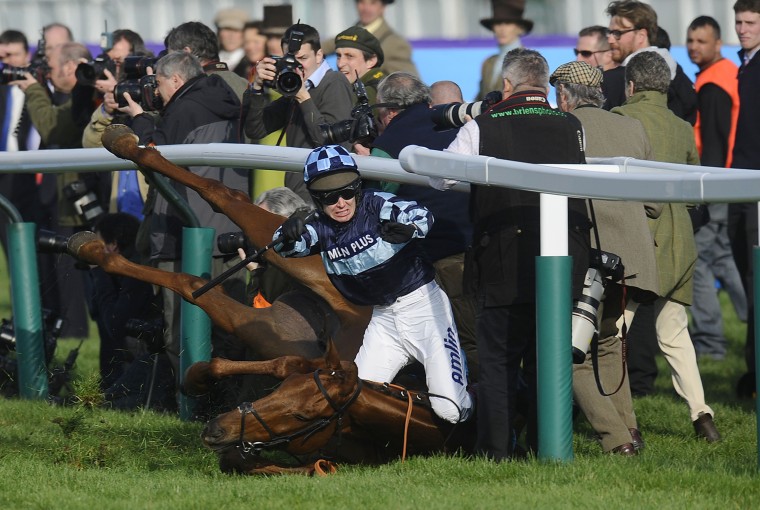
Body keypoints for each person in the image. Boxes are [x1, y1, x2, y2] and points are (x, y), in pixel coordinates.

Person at [445, 48, 591, 459]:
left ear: (505, 85)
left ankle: (495, 450)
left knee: (498, 360)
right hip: (566, 254)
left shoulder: (483, 126)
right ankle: (548, 445)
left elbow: (440, 176)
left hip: (505, 256)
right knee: (549, 356)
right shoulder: (572, 123)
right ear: (545, 85)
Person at [273, 144, 473, 424]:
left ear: (357, 187)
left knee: (449, 410)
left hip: (425, 309)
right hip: (382, 321)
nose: (340, 203)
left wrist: (410, 230)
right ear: (316, 199)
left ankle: (459, 371)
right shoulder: (317, 226)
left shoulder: (377, 203)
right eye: (329, 197)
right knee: (353, 402)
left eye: (346, 192)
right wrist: (287, 232)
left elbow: (422, 216)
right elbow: (284, 248)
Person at [119, 51, 251, 385]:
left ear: (176, 80)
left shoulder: (182, 108)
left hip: (184, 238)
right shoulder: (224, 100)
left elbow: (154, 163)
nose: (157, 91)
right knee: (227, 329)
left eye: (159, 83)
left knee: (182, 333)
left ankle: (192, 411)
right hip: (224, 234)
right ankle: (230, 404)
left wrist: (140, 119)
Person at [611, 51, 720, 442]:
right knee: (675, 334)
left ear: (632, 86)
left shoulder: (621, 119)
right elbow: (692, 183)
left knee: (614, 333)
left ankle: (622, 424)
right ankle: (702, 417)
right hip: (681, 241)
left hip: (639, 240)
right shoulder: (681, 126)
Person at [551, 60, 656, 455]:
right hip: (632, 257)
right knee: (609, 341)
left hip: (587, 257)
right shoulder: (632, 127)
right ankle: (631, 430)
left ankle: (616, 440)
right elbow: (655, 204)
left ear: (564, 95)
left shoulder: (563, 127)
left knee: (569, 351)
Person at [370, 72, 477, 381]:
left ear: (388, 111)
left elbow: (378, 203)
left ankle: (491, 417)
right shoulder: (457, 124)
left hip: (432, 256)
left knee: (452, 339)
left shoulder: (387, 144)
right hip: (473, 242)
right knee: (475, 336)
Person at [686, 15, 746, 360]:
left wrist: (704, 191)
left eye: (701, 41)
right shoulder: (727, 74)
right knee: (723, 257)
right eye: (690, 41)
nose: (694, 47)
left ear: (717, 44)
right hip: (732, 180)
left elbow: (715, 143)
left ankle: (710, 344)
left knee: (696, 261)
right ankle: (750, 321)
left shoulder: (713, 84)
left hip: (717, 182)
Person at [243, 23, 354, 203]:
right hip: (299, 192)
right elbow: (255, 129)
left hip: (327, 195)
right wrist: (256, 87)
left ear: (319, 55)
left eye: (302, 58)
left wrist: (303, 98)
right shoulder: (296, 86)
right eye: (291, 60)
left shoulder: (334, 82)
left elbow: (330, 144)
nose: (297, 66)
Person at [728, 0, 760, 397]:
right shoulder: (744, 66)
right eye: (738, 21)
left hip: (753, 189)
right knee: (750, 282)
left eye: (750, 22)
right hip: (740, 185)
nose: (742, 28)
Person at [89, 213, 158, 389]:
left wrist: (99, 273)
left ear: (113, 245)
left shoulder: (134, 273)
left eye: (99, 246)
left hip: (146, 357)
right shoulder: (137, 261)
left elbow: (115, 326)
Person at [0, 29, 40, 259]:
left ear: (27, 55)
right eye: (3, 58)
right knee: (9, 247)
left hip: (29, 172)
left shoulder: (40, 88)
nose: (8, 63)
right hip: (4, 171)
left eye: (13, 55)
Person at [322, 0, 418, 76]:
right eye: (362, 2)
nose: (366, 8)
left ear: (383, 7)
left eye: (373, 3)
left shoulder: (395, 43)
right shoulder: (350, 34)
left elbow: (408, 84)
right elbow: (322, 47)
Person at [476, 0, 533, 100]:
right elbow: (480, 98)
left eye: (507, 23)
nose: (502, 29)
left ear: (519, 27)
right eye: (498, 23)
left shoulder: (529, 61)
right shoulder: (488, 63)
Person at [334, 26, 386, 105]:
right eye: (338, 56)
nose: (340, 64)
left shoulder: (373, 93)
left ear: (371, 61)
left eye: (349, 56)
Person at [214, 7, 249, 72]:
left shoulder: (253, 64)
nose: (231, 36)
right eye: (227, 29)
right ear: (219, 32)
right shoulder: (209, 61)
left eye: (236, 30)